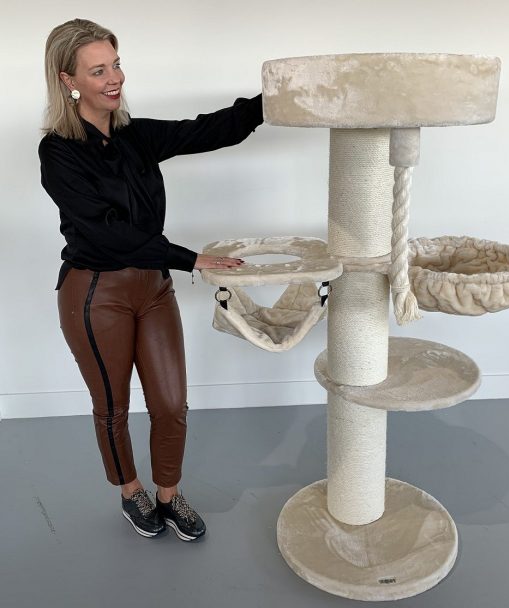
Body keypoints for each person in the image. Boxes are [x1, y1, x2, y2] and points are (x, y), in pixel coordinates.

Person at [38, 18, 263, 541]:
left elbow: (209, 129)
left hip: (153, 288)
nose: (115, 77)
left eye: (116, 64)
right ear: (69, 80)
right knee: (113, 407)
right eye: (99, 70)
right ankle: (131, 490)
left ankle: (169, 493)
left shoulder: (135, 136)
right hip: (96, 294)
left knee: (170, 403)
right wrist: (191, 258)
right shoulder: (59, 153)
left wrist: (275, 98)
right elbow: (108, 234)